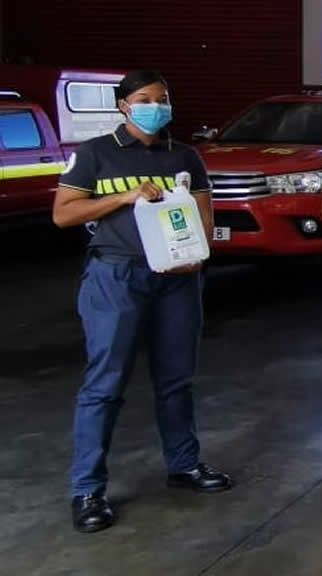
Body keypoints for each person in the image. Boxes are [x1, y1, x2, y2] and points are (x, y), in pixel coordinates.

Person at [52, 70, 233, 534]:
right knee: (105, 383)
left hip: (177, 279)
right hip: (118, 275)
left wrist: (197, 254)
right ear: (123, 106)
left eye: (163, 98)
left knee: (176, 379)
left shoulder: (185, 155)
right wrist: (124, 198)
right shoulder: (95, 154)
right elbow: (64, 213)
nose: (156, 106)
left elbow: (205, 217)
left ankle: (184, 466)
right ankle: (87, 490)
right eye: (144, 99)